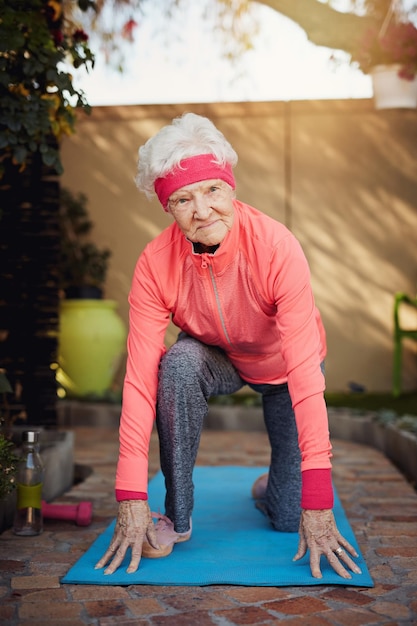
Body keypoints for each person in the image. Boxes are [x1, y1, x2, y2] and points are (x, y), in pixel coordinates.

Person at [95, 112, 362, 580]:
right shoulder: (156, 264)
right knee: (176, 365)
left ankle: (274, 486)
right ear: (167, 208)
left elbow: (305, 376)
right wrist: (131, 496)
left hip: (282, 366)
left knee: (287, 518)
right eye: (182, 199)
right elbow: (139, 381)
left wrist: (318, 502)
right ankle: (176, 517)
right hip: (219, 357)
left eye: (211, 190)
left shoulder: (277, 246)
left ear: (231, 188)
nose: (201, 211)